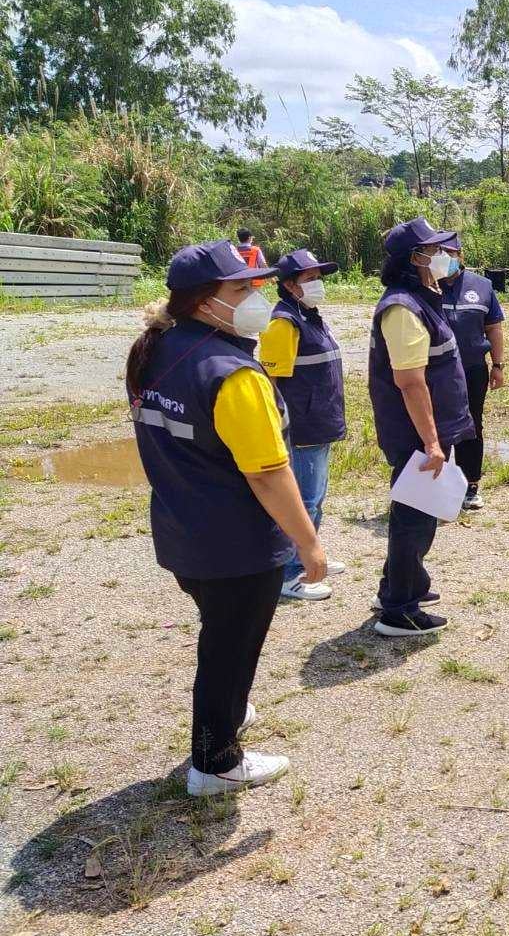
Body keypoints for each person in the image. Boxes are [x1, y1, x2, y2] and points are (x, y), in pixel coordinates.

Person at [125, 241, 326, 796]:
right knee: (229, 649)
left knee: (222, 634)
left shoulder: (158, 350)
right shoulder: (233, 374)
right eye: (240, 289)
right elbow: (269, 473)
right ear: (203, 302)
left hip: (183, 532)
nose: (255, 297)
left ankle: (229, 708)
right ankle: (215, 763)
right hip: (236, 547)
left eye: (255, 285)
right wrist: (308, 543)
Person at [367, 217, 475, 637]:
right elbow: (411, 383)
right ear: (415, 259)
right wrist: (431, 442)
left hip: (429, 429)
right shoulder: (402, 309)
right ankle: (399, 609)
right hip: (416, 434)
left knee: (417, 515)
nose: (445, 256)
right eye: (435, 250)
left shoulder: (421, 298)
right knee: (414, 519)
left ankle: (398, 587)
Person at [259, 249, 349, 601]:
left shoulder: (309, 315)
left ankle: (310, 556)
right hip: (303, 427)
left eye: (318, 277)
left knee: (316, 497)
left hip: (320, 422)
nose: (317, 284)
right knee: (303, 501)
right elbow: (270, 383)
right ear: (289, 285)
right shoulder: (284, 322)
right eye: (309, 279)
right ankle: (290, 574)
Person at [438, 234, 506, 511]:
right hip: (436, 373)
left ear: (460, 255)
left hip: (473, 369)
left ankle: (470, 486)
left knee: (471, 426)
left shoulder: (482, 286)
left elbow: (494, 328)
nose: (444, 258)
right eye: (438, 252)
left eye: (449, 252)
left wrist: (498, 366)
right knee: (436, 427)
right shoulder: (425, 286)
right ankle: (435, 487)